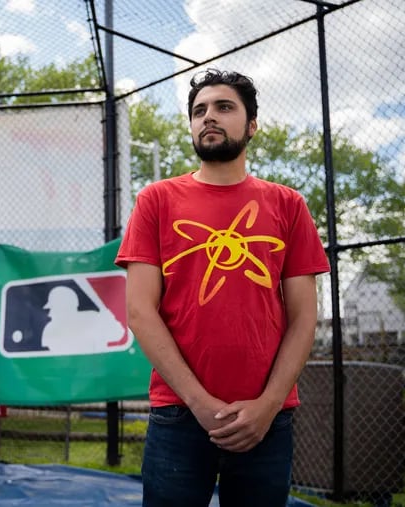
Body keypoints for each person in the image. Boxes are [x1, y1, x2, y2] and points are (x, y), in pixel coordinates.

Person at [114, 69, 330, 507]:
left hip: (268, 419)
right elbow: (139, 311)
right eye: (199, 111)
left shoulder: (288, 204)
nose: (208, 117)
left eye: (224, 107)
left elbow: (305, 315)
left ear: (251, 125)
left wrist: (268, 405)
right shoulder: (155, 200)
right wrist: (199, 402)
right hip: (178, 413)